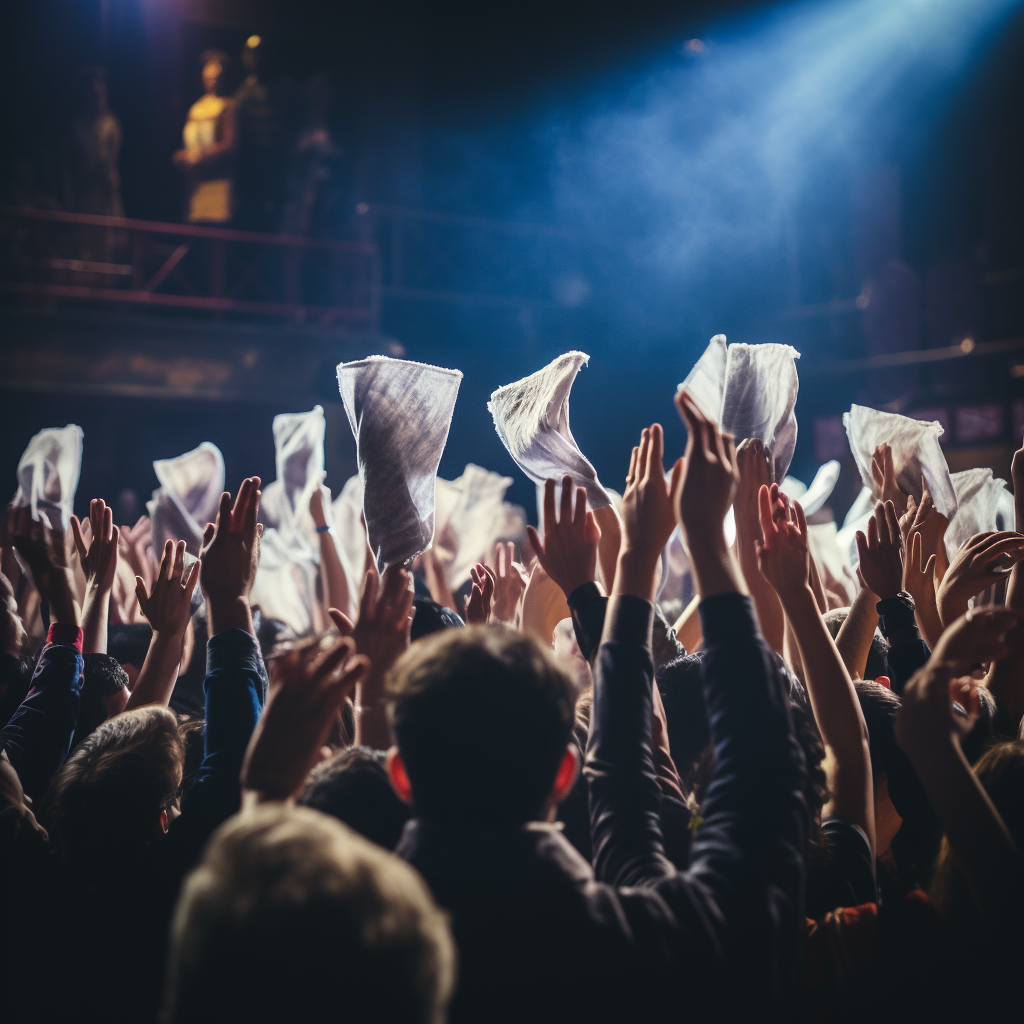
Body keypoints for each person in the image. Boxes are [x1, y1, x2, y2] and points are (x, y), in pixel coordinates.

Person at [386, 405, 808, 1021]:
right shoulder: (636, 941)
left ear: (400, 774)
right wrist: (660, 559)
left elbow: (630, 787)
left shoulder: (338, 953)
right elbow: (667, 797)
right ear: (565, 772)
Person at [174, 51, 237, 224]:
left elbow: (230, 145)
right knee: (195, 232)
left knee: (215, 235)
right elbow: (190, 142)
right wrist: (184, 156)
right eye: (209, 76)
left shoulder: (228, 105)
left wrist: (201, 156)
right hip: (195, 182)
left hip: (218, 182)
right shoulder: (196, 108)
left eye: (217, 76)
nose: (213, 80)